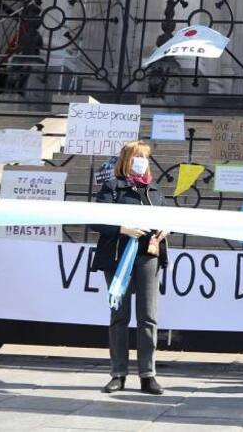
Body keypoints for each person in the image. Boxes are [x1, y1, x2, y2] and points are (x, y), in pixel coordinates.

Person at [90, 140, 168, 396]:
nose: (142, 161)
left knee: (148, 316)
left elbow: (167, 218)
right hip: (117, 257)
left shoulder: (154, 189)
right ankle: (118, 374)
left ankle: (148, 375)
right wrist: (122, 228)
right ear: (126, 160)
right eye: (138, 156)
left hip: (148, 255)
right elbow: (96, 221)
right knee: (119, 316)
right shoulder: (111, 187)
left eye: (145, 157)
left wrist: (166, 228)